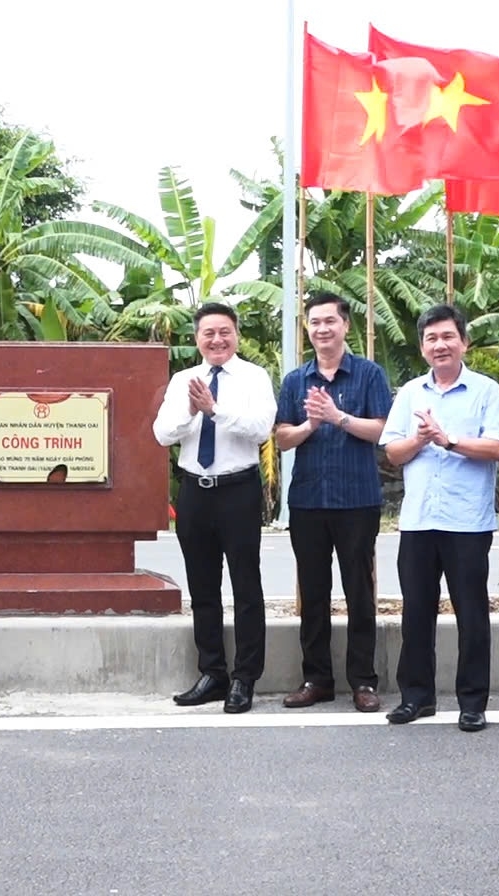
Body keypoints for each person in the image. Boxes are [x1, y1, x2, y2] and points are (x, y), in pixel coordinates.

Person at [379, 304, 499, 727]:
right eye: (432, 338)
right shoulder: (411, 393)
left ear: (463, 342)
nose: (441, 345)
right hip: (418, 521)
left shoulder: (486, 391)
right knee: (416, 612)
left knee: (472, 613)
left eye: (448, 336)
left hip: (466, 522)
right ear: (422, 348)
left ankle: (473, 702)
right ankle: (416, 697)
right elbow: (392, 452)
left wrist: (448, 439)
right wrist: (421, 438)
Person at [152, 302, 277, 714]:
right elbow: (162, 433)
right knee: (202, 588)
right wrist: (191, 410)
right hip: (195, 491)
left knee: (245, 586)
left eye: (224, 331)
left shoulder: (254, 378)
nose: (217, 340)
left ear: (236, 334)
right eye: (209, 333)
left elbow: (261, 428)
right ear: (197, 338)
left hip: (238, 490)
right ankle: (212, 673)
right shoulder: (183, 380)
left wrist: (214, 409)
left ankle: (244, 678)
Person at [272, 291, 391, 713]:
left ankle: (363, 681)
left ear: (345, 326)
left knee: (360, 592)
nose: (322, 329)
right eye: (315, 322)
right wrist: (311, 423)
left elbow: (381, 430)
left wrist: (339, 417)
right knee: (314, 592)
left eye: (330, 321)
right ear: (308, 329)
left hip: (357, 499)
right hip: (308, 500)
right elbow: (282, 437)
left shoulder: (369, 375)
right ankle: (316, 678)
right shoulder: (295, 380)